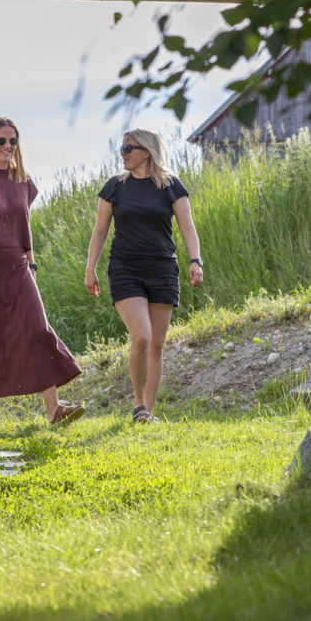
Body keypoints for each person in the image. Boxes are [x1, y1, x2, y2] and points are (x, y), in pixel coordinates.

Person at [0, 116, 84, 433]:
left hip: (17, 265)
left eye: (13, 141)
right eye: (2, 141)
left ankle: (54, 409)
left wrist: (32, 264)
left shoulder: (23, 181)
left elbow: (24, 227)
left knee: (37, 328)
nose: (8, 147)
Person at [84, 128, 203, 423]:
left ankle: (147, 413)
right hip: (125, 268)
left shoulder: (171, 186)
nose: (122, 154)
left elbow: (187, 227)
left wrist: (195, 260)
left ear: (146, 152)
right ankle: (138, 404)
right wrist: (90, 269)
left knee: (157, 345)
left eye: (128, 149)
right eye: (121, 149)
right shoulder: (115, 186)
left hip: (162, 268)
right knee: (141, 337)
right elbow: (100, 231)